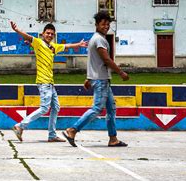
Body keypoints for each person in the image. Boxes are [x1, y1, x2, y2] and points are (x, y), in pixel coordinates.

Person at [10, 21, 87, 142]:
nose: (50, 35)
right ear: (43, 34)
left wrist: (79, 44)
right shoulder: (38, 43)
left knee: (56, 107)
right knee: (45, 108)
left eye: (52, 34)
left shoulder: (53, 47)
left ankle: (52, 135)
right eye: (48, 33)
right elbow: (28, 37)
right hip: (43, 81)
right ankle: (20, 126)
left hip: (50, 83)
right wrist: (16, 30)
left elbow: (67, 46)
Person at [62, 11, 129, 147]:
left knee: (111, 109)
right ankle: (72, 130)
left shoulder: (96, 38)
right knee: (97, 108)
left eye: (108, 24)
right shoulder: (99, 39)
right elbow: (105, 59)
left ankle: (113, 138)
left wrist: (88, 78)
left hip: (100, 79)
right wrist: (120, 72)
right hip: (101, 80)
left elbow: (93, 61)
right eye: (103, 24)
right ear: (97, 24)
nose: (106, 26)